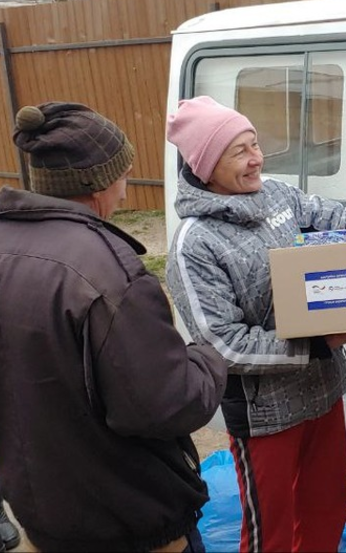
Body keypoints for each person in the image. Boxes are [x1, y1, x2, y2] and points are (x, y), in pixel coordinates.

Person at [164, 95, 346, 553]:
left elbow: (343, 220)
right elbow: (222, 345)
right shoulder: (196, 244)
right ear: (204, 165)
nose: (256, 158)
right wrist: (317, 344)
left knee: (327, 510)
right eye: (239, 151)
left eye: (255, 144)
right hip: (265, 416)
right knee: (270, 533)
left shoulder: (278, 197)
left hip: (322, 394)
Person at [0, 102, 228, 552]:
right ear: (98, 181)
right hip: (128, 521)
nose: (125, 193)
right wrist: (207, 356)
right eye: (124, 175)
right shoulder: (107, 273)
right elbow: (164, 406)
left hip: (41, 513)